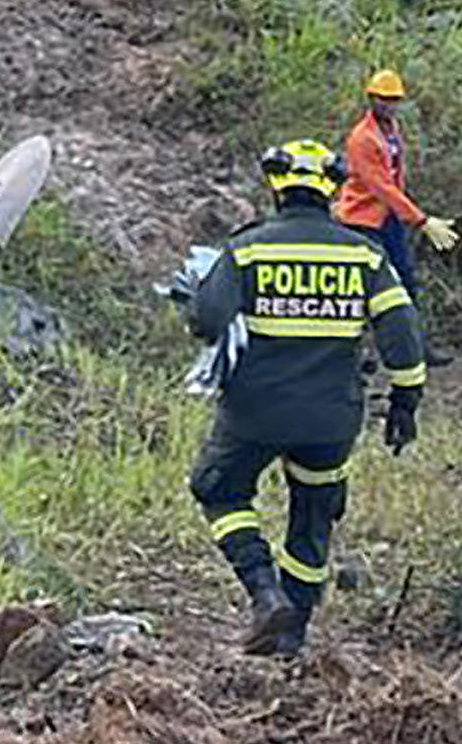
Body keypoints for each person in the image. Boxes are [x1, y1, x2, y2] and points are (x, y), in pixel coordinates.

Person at [179, 138, 426, 657]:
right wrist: (406, 400)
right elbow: (402, 330)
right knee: (313, 511)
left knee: (218, 489)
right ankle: (293, 631)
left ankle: (266, 596)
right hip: (331, 419)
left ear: (277, 189)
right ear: (332, 192)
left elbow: (206, 321)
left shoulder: (247, 249)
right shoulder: (364, 254)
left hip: (253, 414)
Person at [333, 69, 455, 298]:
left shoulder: (391, 129)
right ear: (371, 99)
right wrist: (420, 220)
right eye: (383, 99)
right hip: (361, 219)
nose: (388, 105)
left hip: (388, 216)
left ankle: (408, 330)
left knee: (405, 280)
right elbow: (380, 186)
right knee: (368, 283)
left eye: (394, 100)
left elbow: (394, 179)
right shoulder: (363, 138)